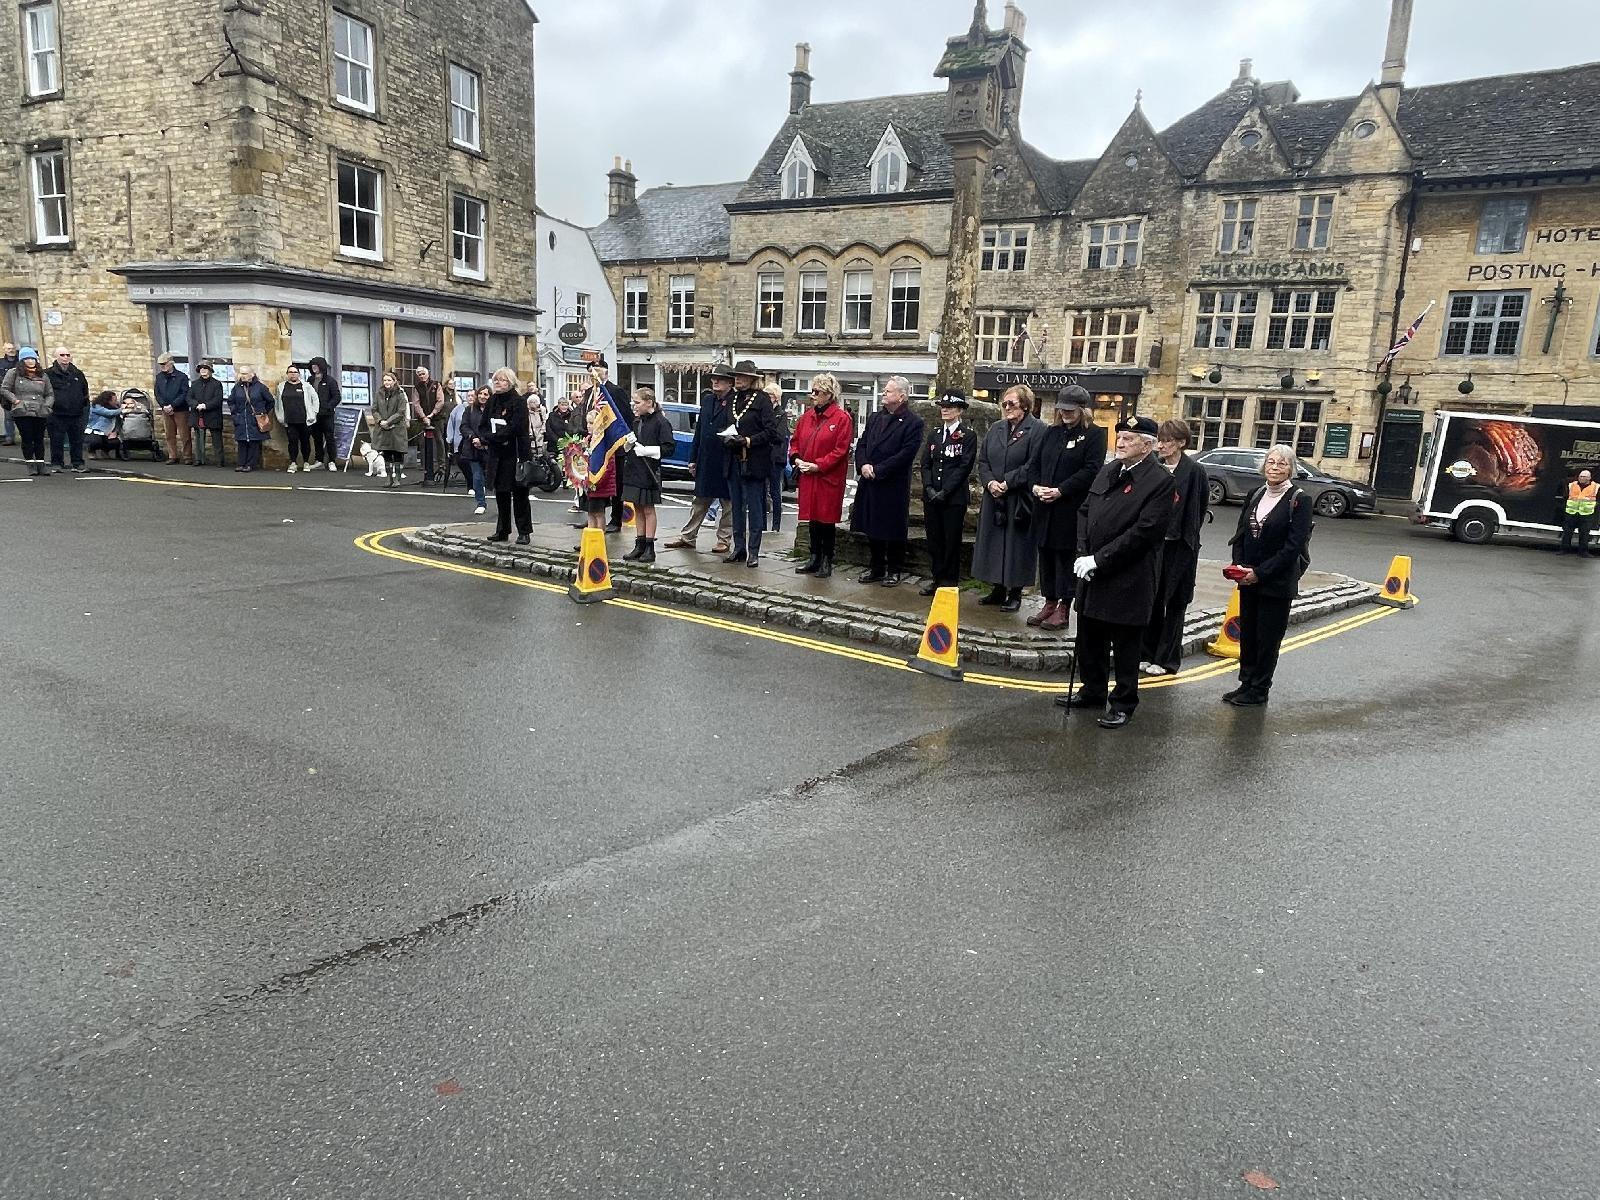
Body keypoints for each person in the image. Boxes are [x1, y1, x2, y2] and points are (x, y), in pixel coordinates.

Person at [1057, 416, 1178, 729]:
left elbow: (1145, 531)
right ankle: (1092, 690)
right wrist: (1083, 554)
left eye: (1128, 439)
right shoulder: (1110, 470)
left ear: (1147, 446)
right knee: (1090, 637)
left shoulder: (1160, 481)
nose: (1120, 443)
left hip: (1129, 577)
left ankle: (1123, 702)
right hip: (1094, 572)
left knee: (1126, 645)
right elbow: (1085, 511)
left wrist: (1100, 559)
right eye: (1120, 437)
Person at [1224, 444, 1314, 707]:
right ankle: (1246, 683)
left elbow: (1293, 547)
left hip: (1276, 582)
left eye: (1281, 464)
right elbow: (1241, 533)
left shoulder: (1300, 500)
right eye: (1271, 462)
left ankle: (1260, 689)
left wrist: (1260, 574)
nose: (1274, 468)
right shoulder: (1255, 494)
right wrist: (1239, 566)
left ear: (1291, 469)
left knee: (1267, 639)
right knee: (1248, 635)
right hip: (1248, 578)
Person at [1026, 386, 1106, 628]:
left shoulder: (1094, 435)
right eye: (1062, 409)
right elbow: (1034, 465)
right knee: (1046, 556)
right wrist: (1035, 487)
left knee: (1066, 558)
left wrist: (1061, 490)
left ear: (1083, 410)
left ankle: (1063, 607)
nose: (1066, 413)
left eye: (1071, 410)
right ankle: (1049, 602)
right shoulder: (1051, 433)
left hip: (1070, 508)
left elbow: (1091, 470)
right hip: (1044, 507)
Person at [1141, 420, 1210, 674]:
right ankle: (1146, 653)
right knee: (1152, 600)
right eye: (1159, 440)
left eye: (1167, 441)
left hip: (1180, 547)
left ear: (1181, 442)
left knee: (1175, 604)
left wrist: (1185, 538)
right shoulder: (1154, 467)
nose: (1161, 446)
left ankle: (1166, 660)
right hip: (1155, 546)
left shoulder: (1194, 471)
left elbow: (1198, 509)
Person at [972, 384, 1045, 611]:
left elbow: (1033, 463)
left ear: (1025, 405)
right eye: (1004, 403)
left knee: (1017, 546)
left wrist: (1008, 482)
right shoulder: (996, 428)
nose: (1006, 407)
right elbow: (983, 460)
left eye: (1011, 403)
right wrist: (990, 482)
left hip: (1019, 498)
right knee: (994, 544)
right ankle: (997, 588)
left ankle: (1015, 592)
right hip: (994, 497)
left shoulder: (1038, 430)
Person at [849, 375, 925, 586]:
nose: (884, 393)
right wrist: (864, 464)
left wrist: (878, 470)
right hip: (870, 480)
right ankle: (876, 567)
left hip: (892, 483)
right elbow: (862, 443)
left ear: (901, 396)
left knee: (892, 528)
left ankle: (894, 570)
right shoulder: (875, 418)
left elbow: (906, 454)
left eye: (889, 391)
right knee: (872, 526)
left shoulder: (913, 422)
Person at [663, 363, 735, 553]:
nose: (715, 382)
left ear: (730, 382)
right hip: (706, 459)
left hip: (726, 459)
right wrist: (693, 459)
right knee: (700, 501)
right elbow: (699, 432)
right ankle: (688, 536)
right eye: (713, 379)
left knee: (728, 503)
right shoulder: (708, 400)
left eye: (719, 379)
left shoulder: (735, 402)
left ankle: (724, 540)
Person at [790, 373, 855, 578]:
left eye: (816, 391)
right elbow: (795, 441)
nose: (813, 395)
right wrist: (797, 459)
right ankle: (814, 556)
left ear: (828, 394)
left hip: (828, 477)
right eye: (812, 391)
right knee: (812, 519)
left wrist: (819, 466)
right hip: (809, 475)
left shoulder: (842, 418)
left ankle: (827, 559)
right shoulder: (806, 417)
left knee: (826, 520)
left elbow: (840, 450)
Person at [721, 360, 782, 567]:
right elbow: (727, 424)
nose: (737, 379)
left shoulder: (762, 400)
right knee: (736, 507)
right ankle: (739, 548)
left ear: (751, 378)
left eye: (741, 376)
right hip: (733, 460)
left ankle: (753, 551)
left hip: (754, 461)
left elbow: (771, 432)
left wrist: (749, 440)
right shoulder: (732, 399)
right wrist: (727, 437)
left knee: (755, 507)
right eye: (735, 376)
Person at [919, 391, 978, 596]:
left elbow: (964, 467)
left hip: (953, 498)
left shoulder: (967, 435)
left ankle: (949, 580)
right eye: (943, 407)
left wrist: (945, 491)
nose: (945, 410)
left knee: (951, 540)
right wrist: (928, 487)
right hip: (932, 496)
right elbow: (926, 463)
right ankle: (936, 577)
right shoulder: (935, 434)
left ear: (960, 410)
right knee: (934, 539)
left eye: (950, 407)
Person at [621, 385, 674, 563]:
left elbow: (669, 448)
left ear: (649, 402)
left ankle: (650, 548)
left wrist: (648, 450)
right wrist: (628, 445)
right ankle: (640, 544)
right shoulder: (637, 421)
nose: (634, 406)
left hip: (649, 470)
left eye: (637, 402)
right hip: (633, 469)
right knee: (637, 507)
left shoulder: (661, 422)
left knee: (648, 509)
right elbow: (631, 446)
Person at [582, 358, 631, 531]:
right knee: (591, 482)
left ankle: (616, 519)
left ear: (606, 372)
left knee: (614, 484)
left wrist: (623, 442)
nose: (594, 373)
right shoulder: (589, 392)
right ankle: (592, 516)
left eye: (597, 369)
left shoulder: (615, 391)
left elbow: (625, 417)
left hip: (611, 445)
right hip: (593, 444)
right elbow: (586, 415)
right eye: (591, 370)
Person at [486, 367, 532, 544]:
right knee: (501, 493)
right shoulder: (492, 400)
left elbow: (517, 427)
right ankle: (502, 530)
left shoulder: (518, 401)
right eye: (495, 380)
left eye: (502, 380)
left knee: (520, 494)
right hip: (497, 453)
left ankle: (524, 531)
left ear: (510, 382)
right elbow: (484, 424)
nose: (497, 383)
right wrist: (486, 437)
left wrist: (497, 436)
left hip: (516, 453)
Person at [0, 347, 54, 475]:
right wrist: (15, 401)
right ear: (22, 360)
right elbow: (5, 389)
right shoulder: (14, 373)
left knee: (39, 438)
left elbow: (49, 393)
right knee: (27, 438)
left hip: (39, 411)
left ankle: (41, 464)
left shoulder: (43, 375)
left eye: (32, 358)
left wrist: (47, 406)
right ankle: (30, 464)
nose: (30, 361)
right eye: (27, 359)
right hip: (22, 411)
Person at [45, 346, 89, 473]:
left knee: (77, 440)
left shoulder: (78, 374)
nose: (65, 358)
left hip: (76, 413)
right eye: (62, 355)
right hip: (56, 413)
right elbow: (45, 392)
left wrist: (83, 405)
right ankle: (57, 463)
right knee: (56, 440)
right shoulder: (48, 374)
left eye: (67, 355)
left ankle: (77, 463)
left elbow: (84, 391)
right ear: (56, 357)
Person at [274, 363, 320, 473]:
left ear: (298, 374)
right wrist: (280, 416)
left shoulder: (306, 386)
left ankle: (306, 462)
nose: (293, 374)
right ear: (287, 374)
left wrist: (314, 413)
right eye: (290, 372)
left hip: (305, 420)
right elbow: (277, 403)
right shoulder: (281, 386)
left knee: (305, 442)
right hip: (290, 420)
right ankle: (293, 463)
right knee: (292, 442)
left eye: (295, 372)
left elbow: (315, 399)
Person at [227, 366, 272, 473]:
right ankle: (241, 463)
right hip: (241, 418)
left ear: (252, 374)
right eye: (241, 373)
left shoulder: (260, 387)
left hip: (254, 419)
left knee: (254, 442)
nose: (242, 376)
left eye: (245, 373)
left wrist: (262, 412)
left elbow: (270, 401)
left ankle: (250, 464)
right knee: (242, 442)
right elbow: (231, 401)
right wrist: (235, 414)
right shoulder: (237, 388)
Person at [454, 385, 490, 514]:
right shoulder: (469, 410)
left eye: (486, 394)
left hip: (489, 448)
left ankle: (502, 504)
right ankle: (481, 503)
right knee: (477, 477)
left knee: (494, 477)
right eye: (480, 394)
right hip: (473, 448)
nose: (482, 396)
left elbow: (495, 428)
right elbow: (464, 426)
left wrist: (483, 440)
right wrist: (473, 438)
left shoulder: (493, 410)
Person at [370, 370, 410, 487]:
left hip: (397, 429)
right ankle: (388, 478)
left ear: (394, 381)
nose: (386, 382)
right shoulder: (379, 393)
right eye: (385, 380)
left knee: (397, 454)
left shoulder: (400, 394)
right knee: (386, 454)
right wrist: (380, 421)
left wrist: (388, 421)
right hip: (383, 429)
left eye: (389, 380)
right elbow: (374, 409)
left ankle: (397, 478)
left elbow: (401, 412)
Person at [412, 366, 450, 483]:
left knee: (439, 441)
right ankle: (426, 466)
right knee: (423, 443)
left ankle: (442, 465)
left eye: (423, 374)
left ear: (428, 374)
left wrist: (432, 414)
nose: (421, 376)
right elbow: (416, 403)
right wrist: (424, 417)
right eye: (419, 374)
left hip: (437, 417)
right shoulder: (417, 388)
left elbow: (440, 401)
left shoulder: (436, 385)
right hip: (422, 419)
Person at [154, 353, 192, 466]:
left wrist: (173, 405)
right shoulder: (159, 377)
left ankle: (187, 456)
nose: (162, 366)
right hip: (166, 409)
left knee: (184, 434)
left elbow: (184, 393)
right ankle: (173, 456)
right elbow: (157, 393)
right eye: (161, 364)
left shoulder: (182, 377)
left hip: (180, 409)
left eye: (164, 364)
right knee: (169, 434)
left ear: (171, 363)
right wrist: (163, 405)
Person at [188, 361, 225, 466]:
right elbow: (189, 397)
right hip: (198, 414)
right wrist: (196, 405)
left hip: (213, 414)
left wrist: (206, 405)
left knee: (216, 439)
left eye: (205, 368)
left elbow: (218, 399)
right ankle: (199, 459)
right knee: (198, 439)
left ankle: (219, 460)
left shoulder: (217, 384)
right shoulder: (195, 384)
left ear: (210, 370)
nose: (203, 370)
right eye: (201, 368)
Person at [308, 356, 342, 470]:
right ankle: (319, 460)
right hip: (314, 415)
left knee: (329, 438)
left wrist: (328, 406)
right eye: (312, 365)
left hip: (327, 415)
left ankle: (332, 461)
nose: (314, 368)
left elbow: (337, 397)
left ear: (321, 366)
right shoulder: (310, 380)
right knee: (317, 438)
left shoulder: (330, 381)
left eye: (316, 365)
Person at [766, 384, 791, 532]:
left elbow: (780, 436)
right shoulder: (764, 412)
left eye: (769, 395)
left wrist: (765, 435)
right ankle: (762, 525)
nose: (767, 399)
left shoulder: (781, 414)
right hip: (764, 457)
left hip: (776, 459)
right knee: (763, 493)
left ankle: (776, 526)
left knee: (775, 492)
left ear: (776, 397)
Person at [1559, 468, 1596, 557]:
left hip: (1586, 514)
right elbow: (1565, 496)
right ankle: (1564, 549)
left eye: (1584, 477)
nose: (1582, 478)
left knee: (1584, 534)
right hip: (1571, 513)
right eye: (1580, 476)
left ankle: (1583, 552)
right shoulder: (1572, 485)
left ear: (1589, 478)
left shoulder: (1596, 487)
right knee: (1567, 532)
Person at [85, 390, 122, 459]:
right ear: (108, 401)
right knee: (96, 441)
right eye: (114, 400)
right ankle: (91, 451)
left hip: (108, 432)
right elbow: (109, 413)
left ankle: (105, 451)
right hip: (95, 431)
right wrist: (122, 409)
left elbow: (118, 422)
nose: (116, 402)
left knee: (116, 442)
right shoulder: (96, 407)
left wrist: (115, 432)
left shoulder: (115, 408)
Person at [0, 341, 17, 446]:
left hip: (20, 392)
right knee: (8, 417)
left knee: (23, 417)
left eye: (12, 348)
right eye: (8, 348)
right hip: (6, 393)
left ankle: (27, 437)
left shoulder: (20, 361)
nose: (11, 350)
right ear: (4, 350)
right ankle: (10, 438)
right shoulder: (1, 363)